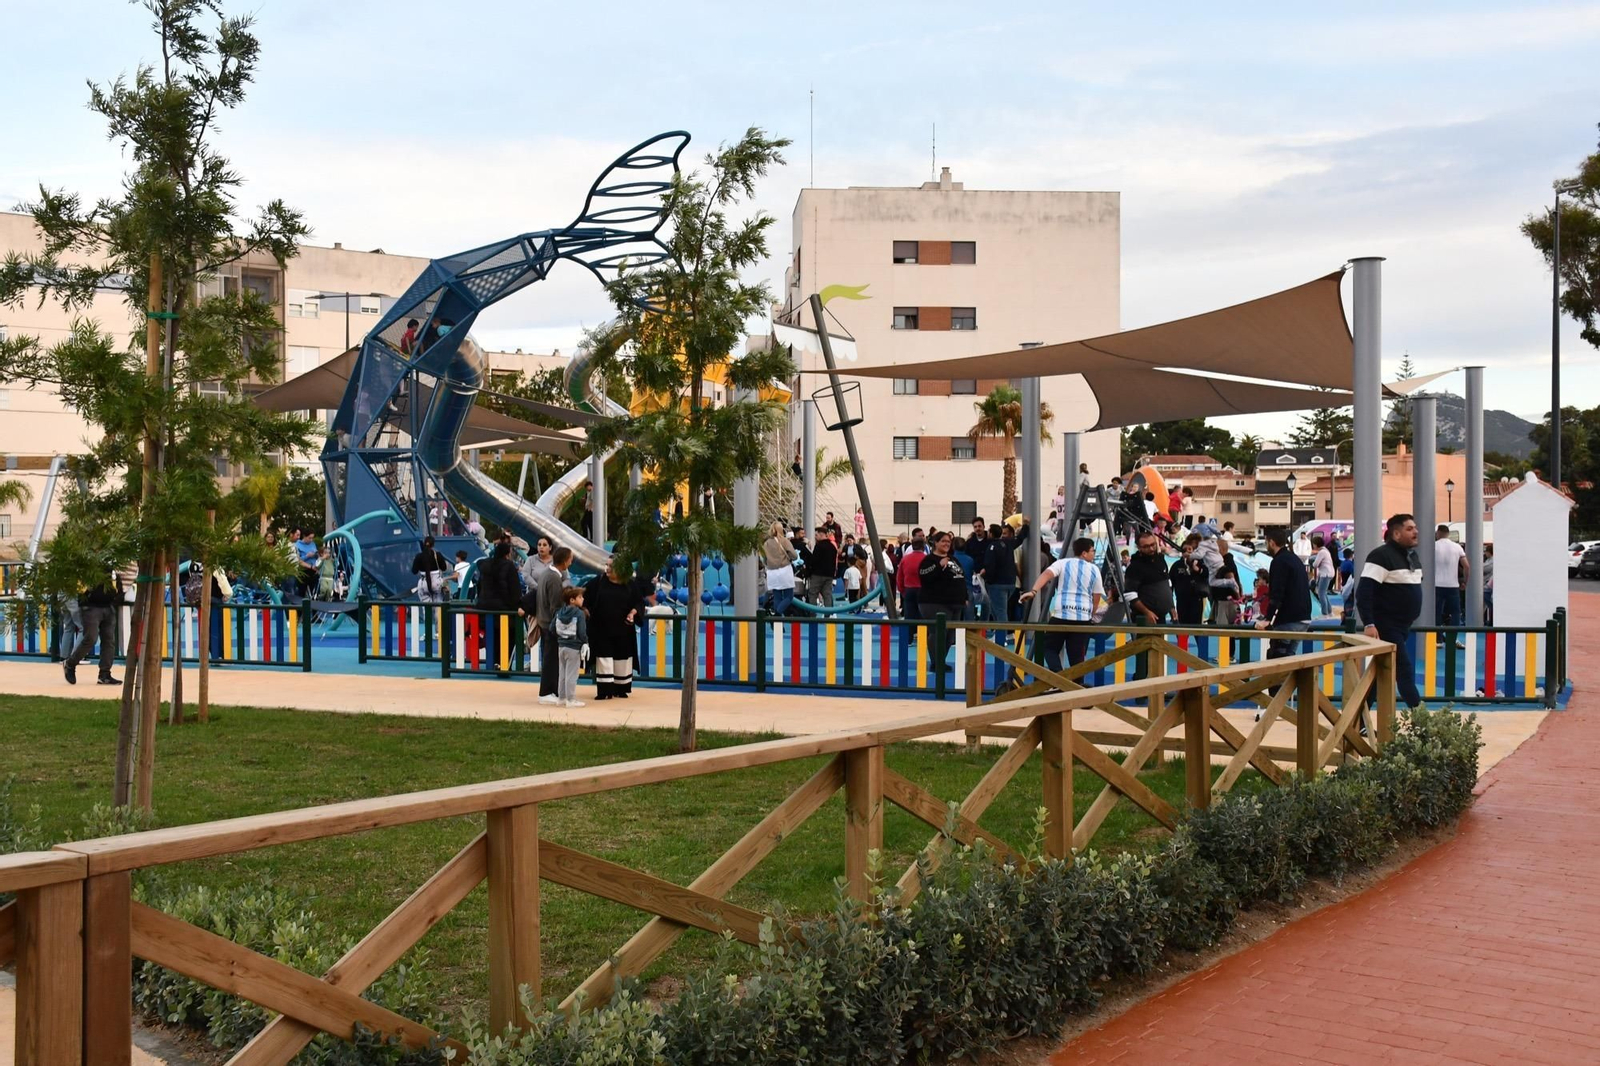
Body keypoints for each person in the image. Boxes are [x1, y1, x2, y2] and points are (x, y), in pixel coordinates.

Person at [1356, 514, 1423, 709]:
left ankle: (1358, 719)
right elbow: (1364, 592)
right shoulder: (1381, 556)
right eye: (1409, 529)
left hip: (1403, 626)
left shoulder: (1412, 557)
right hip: (1387, 625)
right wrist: (1369, 623)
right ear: (1396, 534)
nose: (1415, 532)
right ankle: (1422, 719)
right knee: (1404, 670)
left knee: (1380, 672)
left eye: (1415, 527)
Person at [1019, 537, 1105, 672]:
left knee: (1049, 648)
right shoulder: (1095, 569)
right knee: (1077, 656)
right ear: (1084, 553)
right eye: (1092, 551)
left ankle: (1058, 676)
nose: (1094, 554)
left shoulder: (1063, 563)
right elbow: (1097, 596)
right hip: (1082, 617)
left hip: (1062, 614)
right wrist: (1091, 614)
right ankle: (1075, 683)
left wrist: (1034, 591)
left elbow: (1046, 574)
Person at [1122, 531, 1174, 680]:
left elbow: (1167, 584)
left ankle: (1156, 685)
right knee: (1143, 657)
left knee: (1159, 654)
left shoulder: (1160, 560)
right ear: (1139, 548)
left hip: (1161, 616)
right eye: (1146, 546)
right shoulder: (1135, 567)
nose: (1151, 549)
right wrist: (1147, 612)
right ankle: (1140, 684)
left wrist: (1171, 607)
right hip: (1144, 619)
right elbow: (1129, 594)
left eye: (1153, 545)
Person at [587, 561, 642, 699]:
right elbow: (584, 597)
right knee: (603, 658)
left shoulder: (630, 584)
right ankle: (604, 691)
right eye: (606, 565)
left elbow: (639, 602)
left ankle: (620, 689)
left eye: (611, 566)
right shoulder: (597, 582)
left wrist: (633, 612)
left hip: (624, 630)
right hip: (601, 630)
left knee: (622, 659)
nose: (607, 568)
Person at [1256, 528, 1313, 659]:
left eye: (1266, 543)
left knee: (1277, 657)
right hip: (1304, 616)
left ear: (1272, 543)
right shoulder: (1294, 559)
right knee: (1289, 657)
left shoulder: (1279, 561)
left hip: (1289, 618)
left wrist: (1268, 619)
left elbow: (1277, 592)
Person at [917, 531, 970, 667]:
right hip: (934, 602)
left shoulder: (954, 559)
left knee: (950, 636)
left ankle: (941, 660)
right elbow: (924, 576)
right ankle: (936, 662)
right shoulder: (929, 560)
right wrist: (938, 565)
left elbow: (961, 578)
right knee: (938, 633)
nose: (946, 544)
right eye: (943, 541)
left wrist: (965, 596)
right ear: (936, 543)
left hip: (956, 603)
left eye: (948, 541)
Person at [530, 546, 573, 704]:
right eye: (570, 559)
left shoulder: (547, 573)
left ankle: (551, 690)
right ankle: (546, 692)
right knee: (551, 659)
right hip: (551, 624)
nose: (571, 562)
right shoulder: (554, 578)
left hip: (545, 621)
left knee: (551, 657)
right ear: (565, 561)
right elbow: (556, 606)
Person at [64, 569, 121, 686]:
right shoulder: (86, 563)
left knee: (109, 641)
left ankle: (105, 674)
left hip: (108, 605)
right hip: (90, 606)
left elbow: (117, 580)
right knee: (90, 638)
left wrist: (116, 597)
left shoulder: (110, 564)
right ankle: (70, 663)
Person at [553, 586, 589, 708]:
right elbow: (582, 632)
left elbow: (552, 628)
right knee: (572, 675)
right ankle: (571, 699)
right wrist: (585, 642)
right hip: (574, 647)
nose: (582, 599)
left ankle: (561, 698)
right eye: (580, 597)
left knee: (562, 674)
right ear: (572, 600)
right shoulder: (579, 614)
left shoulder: (559, 612)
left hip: (561, 646)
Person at [980, 523, 1018, 624]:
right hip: (1010, 582)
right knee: (996, 610)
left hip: (997, 584)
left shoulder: (992, 547)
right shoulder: (1008, 544)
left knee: (1000, 612)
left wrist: (987, 578)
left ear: (991, 534)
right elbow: (1019, 539)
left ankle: (1002, 633)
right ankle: (999, 631)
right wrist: (1026, 527)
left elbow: (990, 565)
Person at [1433, 525, 1467, 626]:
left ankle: (1438, 634)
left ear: (1438, 533)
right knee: (1455, 612)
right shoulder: (1457, 547)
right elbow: (1467, 566)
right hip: (1453, 585)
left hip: (1437, 584)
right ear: (1448, 534)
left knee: (1437, 612)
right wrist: (1465, 582)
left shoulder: (1433, 546)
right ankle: (1452, 635)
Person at [762, 521, 799, 615]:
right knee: (789, 596)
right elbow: (794, 555)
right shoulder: (784, 541)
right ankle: (778, 612)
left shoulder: (766, 543)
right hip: (784, 570)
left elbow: (764, 559)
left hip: (772, 572)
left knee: (777, 596)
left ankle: (776, 619)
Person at [1171, 534, 1206, 625]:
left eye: (1189, 549)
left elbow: (1206, 575)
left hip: (1197, 599)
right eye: (1184, 549)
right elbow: (1171, 583)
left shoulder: (1200, 563)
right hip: (1181, 600)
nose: (1187, 552)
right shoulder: (1176, 565)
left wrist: (1197, 569)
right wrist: (1171, 604)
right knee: (1183, 625)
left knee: (1196, 625)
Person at [411, 536, 451, 603]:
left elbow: (414, 571)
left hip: (423, 583)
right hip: (436, 583)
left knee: (426, 607)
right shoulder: (438, 555)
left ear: (424, 544)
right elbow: (444, 568)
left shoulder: (418, 556)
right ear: (433, 545)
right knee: (438, 606)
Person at [897, 528, 926, 618]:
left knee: (910, 616)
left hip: (909, 589)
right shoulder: (927, 559)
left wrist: (903, 591)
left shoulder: (905, 559)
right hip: (922, 590)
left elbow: (899, 577)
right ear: (923, 546)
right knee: (922, 616)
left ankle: (910, 627)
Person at [805, 528, 837, 606]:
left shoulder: (819, 546)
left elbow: (814, 560)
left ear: (821, 535)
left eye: (816, 535)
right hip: (829, 575)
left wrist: (809, 570)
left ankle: (812, 612)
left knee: (813, 594)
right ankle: (829, 611)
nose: (815, 537)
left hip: (817, 574)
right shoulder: (832, 547)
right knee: (827, 595)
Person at [1310, 533, 1336, 616]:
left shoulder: (1321, 552)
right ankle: (1329, 611)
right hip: (1328, 573)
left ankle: (1324, 613)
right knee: (1323, 593)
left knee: (1321, 593)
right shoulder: (1325, 550)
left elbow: (1315, 564)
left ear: (1315, 544)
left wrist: (1312, 562)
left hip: (1325, 574)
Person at [295, 529, 320, 595]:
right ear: (304, 536)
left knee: (315, 591)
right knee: (302, 591)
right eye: (309, 538)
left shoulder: (313, 544)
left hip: (314, 570)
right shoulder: (297, 545)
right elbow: (297, 560)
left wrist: (316, 555)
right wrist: (307, 556)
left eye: (312, 538)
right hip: (304, 571)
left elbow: (317, 555)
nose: (311, 540)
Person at [1482, 544, 1495, 625]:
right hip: (1488, 584)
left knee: (1488, 605)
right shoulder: (1488, 560)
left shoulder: (1492, 561)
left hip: (1488, 585)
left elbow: (1482, 568)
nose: (1485, 553)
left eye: (1486, 551)